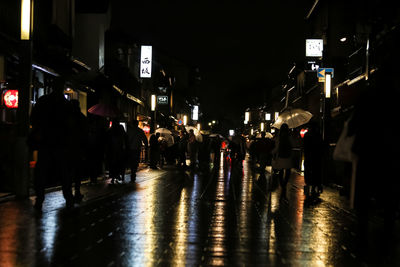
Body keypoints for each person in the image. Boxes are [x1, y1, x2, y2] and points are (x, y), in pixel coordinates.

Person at [29, 77, 75, 210]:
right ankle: (68, 198)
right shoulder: (66, 105)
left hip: (45, 142)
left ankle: (40, 199)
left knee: (41, 172)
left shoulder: (43, 101)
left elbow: (33, 120)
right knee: (64, 172)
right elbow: (70, 126)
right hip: (61, 143)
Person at [69, 99, 88, 202]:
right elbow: (85, 136)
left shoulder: (66, 117)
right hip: (78, 149)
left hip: (67, 149)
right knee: (77, 172)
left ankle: (68, 193)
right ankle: (76, 191)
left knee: (68, 172)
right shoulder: (82, 118)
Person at [271, 123, 295, 200]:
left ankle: (282, 186)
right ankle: (284, 184)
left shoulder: (279, 137)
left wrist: (272, 152)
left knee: (281, 172)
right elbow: (293, 145)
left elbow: (276, 148)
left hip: (281, 157)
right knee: (288, 171)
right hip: (288, 157)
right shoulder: (289, 137)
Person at [303, 122, 324, 198]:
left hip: (308, 157)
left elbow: (304, 146)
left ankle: (308, 185)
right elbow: (321, 147)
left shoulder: (307, 135)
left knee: (308, 171)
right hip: (316, 157)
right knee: (316, 172)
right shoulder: (318, 136)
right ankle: (315, 188)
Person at [105, 119, 127, 184]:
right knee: (119, 163)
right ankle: (118, 175)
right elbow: (125, 139)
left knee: (112, 164)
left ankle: (113, 177)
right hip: (119, 150)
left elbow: (107, 142)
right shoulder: (121, 130)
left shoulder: (110, 131)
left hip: (112, 150)